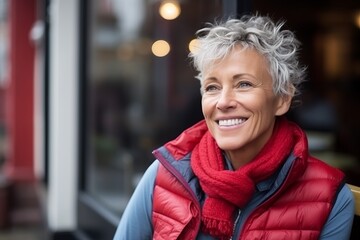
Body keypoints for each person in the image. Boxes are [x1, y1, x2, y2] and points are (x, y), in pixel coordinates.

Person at [113, 14, 354, 240]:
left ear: (282, 99)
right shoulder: (164, 174)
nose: (224, 101)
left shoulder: (331, 197)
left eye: (244, 84)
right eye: (212, 87)